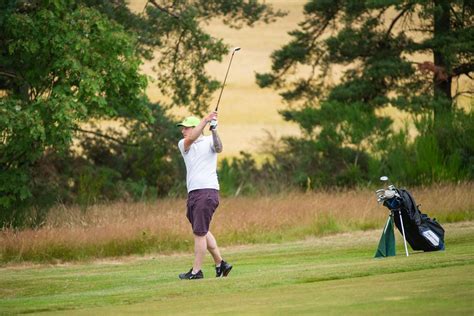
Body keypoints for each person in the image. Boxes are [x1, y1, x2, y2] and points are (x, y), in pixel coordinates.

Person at [176, 111, 232, 280]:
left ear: (196, 128)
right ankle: (221, 264)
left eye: (186, 128)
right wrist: (205, 120)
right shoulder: (184, 144)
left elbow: (219, 148)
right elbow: (191, 138)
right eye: (183, 128)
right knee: (202, 229)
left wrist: (213, 129)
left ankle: (196, 271)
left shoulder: (208, 141)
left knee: (199, 233)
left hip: (207, 191)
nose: (183, 131)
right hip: (194, 193)